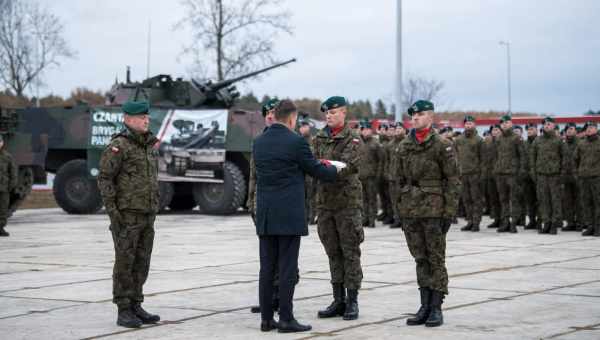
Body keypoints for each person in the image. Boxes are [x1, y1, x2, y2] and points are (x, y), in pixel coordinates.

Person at [253, 100, 339, 333]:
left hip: (267, 213)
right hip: (289, 214)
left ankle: (266, 319)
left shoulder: (259, 142)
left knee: (267, 268)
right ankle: (287, 319)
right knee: (288, 268)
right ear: (291, 119)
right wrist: (335, 169)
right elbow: (315, 169)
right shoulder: (296, 142)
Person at [97, 100, 161, 328]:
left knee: (142, 262)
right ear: (128, 119)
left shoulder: (148, 146)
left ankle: (136, 303)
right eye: (142, 117)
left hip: (147, 215)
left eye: (147, 116)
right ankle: (123, 309)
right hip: (126, 216)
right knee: (125, 262)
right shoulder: (118, 146)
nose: (146, 120)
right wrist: (114, 214)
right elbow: (104, 179)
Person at [398, 100, 460, 327]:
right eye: (413, 116)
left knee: (435, 258)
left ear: (430, 117)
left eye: (420, 115)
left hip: (434, 209)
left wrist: (449, 212)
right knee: (420, 258)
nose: (415, 118)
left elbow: (453, 180)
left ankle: (436, 306)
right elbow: (397, 179)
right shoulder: (404, 145)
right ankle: (424, 305)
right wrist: (400, 209)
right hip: (411, 210)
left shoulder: (442, 145)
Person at [313, 96, 363, 321]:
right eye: (326, 113)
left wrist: (325, 166)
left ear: (344, 113)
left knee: (350, 252)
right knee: (332, 252)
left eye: (333, 112)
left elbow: (349, 166)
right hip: (325, 204)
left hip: (347, 204)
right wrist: (325, 166)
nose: (329, 116)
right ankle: (338, 299)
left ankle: (352, 301)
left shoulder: (353, 138)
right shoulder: (319, 137)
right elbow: (312, 162)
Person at [529, 117, 566, 234]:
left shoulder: (558, 140)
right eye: (545, 124)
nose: (547, 126)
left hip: (554, 176)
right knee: (543, 201)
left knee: (555, 201)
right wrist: (534, 174)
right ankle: (547, 222)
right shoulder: (537, 141)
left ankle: (554, 224)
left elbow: (565, 159)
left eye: (549, 124)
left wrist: (562, 175)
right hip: (541, 176)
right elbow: (532, 159)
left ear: (553, 126)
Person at [493, 115, 526, 233]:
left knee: (514, 200)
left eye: (506, 123)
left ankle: (513, 223)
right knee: (503, 200)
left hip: (513, 174)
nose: (504, 125)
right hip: (500, 173)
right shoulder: (498, 139)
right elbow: (496, 156)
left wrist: (521, 171)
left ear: (511, 124)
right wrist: (495, 169)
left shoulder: (517, 138)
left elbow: (522, 156)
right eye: (502, 123)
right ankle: (505, 222)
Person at [455, 115, 483, 232]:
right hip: (463, 174)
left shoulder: (479, 140)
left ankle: (476, 222)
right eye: (467, 124)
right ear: (464, 125)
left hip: (475, 174)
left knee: (476, 199)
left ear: (474, 125)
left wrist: (481, 174)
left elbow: (483, 159)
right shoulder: (459, 140)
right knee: (466, 199)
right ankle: (470, 221)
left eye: (471, 123)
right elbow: (455, 156)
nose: (468, 126)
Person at [574, 122, 600, 237]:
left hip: (597, 177)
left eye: (591, 128)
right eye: (587, 128)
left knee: (597, 203)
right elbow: (575, 159)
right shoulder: (581, 143)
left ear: (596, 129)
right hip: (584, 177)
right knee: (586, 203)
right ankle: (590, 226)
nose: (589, 130)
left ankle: (598, 227)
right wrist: (577, 173)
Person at [358, 119, 382, 228]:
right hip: (361, 176)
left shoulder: (375, 143)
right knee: (363, 199)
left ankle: (372, 219)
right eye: (363, 129)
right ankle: (365, 218)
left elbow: (381, 160)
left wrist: (378, 175)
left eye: (367, 129)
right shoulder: (359, 143)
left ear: (370, 130)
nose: (365, 132)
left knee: (372, 199)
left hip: (371, 176)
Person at [562, 123, 580, 231]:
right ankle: (570, 222)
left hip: (577, 176)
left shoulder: (580, 143)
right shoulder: (563, 144)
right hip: (566, 176)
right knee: (567, 201)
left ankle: (580, 222)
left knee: (579, 201)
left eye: (571, 129)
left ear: (575, 131)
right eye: (567, 129)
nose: (569, 131)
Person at [388, 122, 407, 229]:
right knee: (394, 199)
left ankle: (405, 220)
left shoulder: (407, 143)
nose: (398, 130)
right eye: (396, 129)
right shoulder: (391, 144)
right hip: (393, 176)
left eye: (400, 128)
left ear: (404, 130)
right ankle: (397, 219)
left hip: (403, 178)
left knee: (404, 199)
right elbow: (387, 160)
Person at [0, 134, 18, 237]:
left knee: (2, 209)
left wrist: (11, 185)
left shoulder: (7, 157)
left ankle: (0, 228)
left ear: (2, 143)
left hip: (4, 188)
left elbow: (13, 172)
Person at [522, 123, 539, 230]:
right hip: (526, 176)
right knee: (529, 200)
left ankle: (540, 220)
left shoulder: (539, 142)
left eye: (532, 129)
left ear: (536, 130)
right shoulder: (524, 144)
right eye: (528, 130)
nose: (529, 131)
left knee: (540, 200)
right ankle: (532, 220)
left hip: (538, 175)